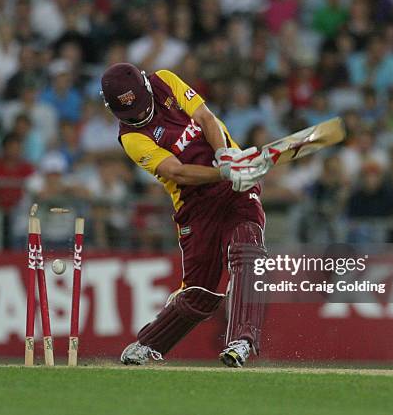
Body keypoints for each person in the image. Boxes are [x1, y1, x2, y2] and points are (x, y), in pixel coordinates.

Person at [100, 62, 275, 367]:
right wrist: (222, 173)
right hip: (194, 204)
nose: (141, 115)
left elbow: (205, 118)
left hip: (235, 186)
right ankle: (149, 344)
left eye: (142, 106)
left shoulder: (165, 81)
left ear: (144, 84)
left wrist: (226, 156)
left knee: (248, 252)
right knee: (200, 293)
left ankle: (242, 340)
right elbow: (177, 171)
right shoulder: (131, 137)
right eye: (132, 113)